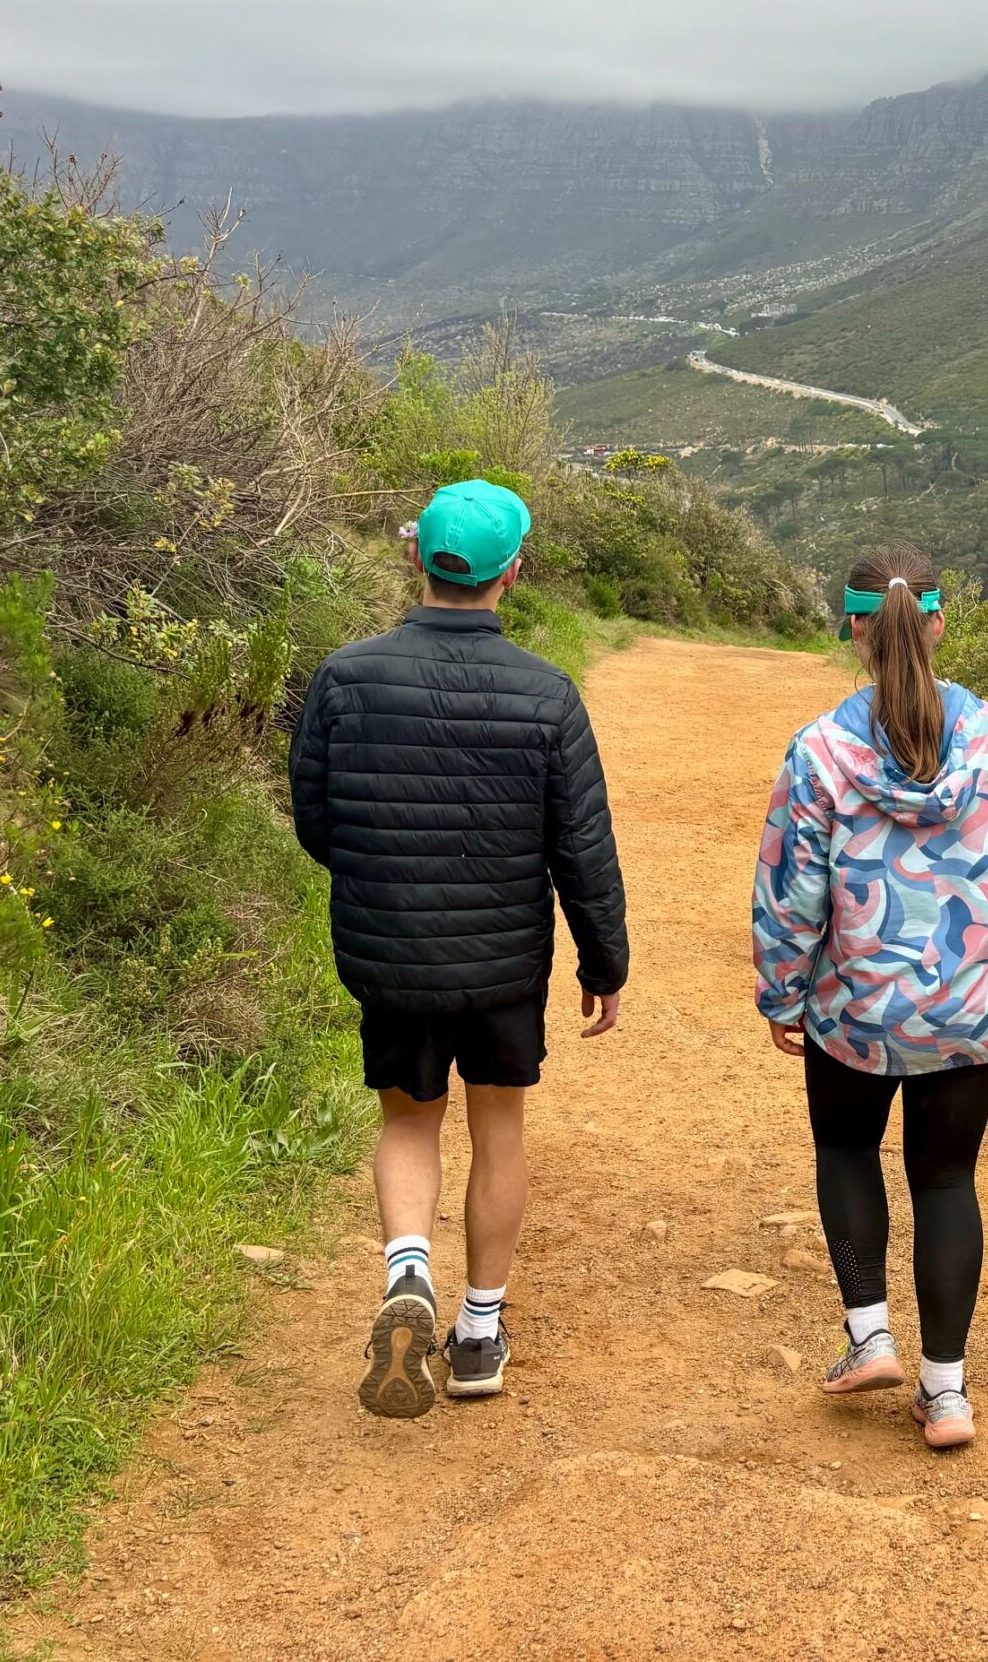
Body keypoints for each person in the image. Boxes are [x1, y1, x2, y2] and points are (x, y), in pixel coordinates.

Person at [291, 479, 628, 1419]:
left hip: (390, 952)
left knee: (407, 1122)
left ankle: (409, 1273)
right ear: (511, 574)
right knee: (498, 1127)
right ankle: (478, 1334)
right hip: (502, 963)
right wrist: (605, 963)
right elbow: (581, 847)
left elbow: (317, 821)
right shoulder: (547, 694)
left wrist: (380, 878)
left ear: (415, 559)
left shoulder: (345, 677)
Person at [751, 546, 988, 1450]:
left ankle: (869, 1335)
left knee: (846, 1150)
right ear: (938, 622)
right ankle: (947, 1394)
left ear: (854, 630)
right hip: (972, 1010)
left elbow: (790, 890)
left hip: (857, 1011)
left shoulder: (822, 751)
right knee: (948, 1180)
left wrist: (782, 992)